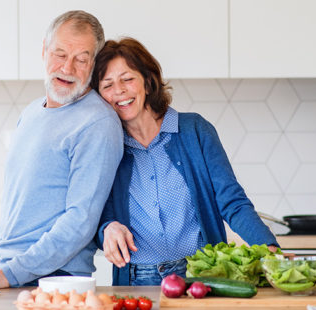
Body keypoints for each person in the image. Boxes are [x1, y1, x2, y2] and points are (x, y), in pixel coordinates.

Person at [91, 37, 281, 286]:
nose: (119, 91)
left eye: (127, 79)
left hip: (201, 273)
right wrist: (107, 228)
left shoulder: (194, 130)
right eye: (108, 85)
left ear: (147, 82)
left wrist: (271, 252)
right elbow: (94, 214)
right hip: (137, 280)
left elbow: (233, 202)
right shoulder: (106, 147)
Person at [0, 11, 123, 289]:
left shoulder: (98, 122)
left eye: (81, 59)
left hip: (53, 280)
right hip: (10, 271)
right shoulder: (32, 112)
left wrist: (9, 273)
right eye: (60, 54)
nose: (67, 68)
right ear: (44, 50)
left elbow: (80, 222)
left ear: (94, 65)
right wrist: (2, 268)